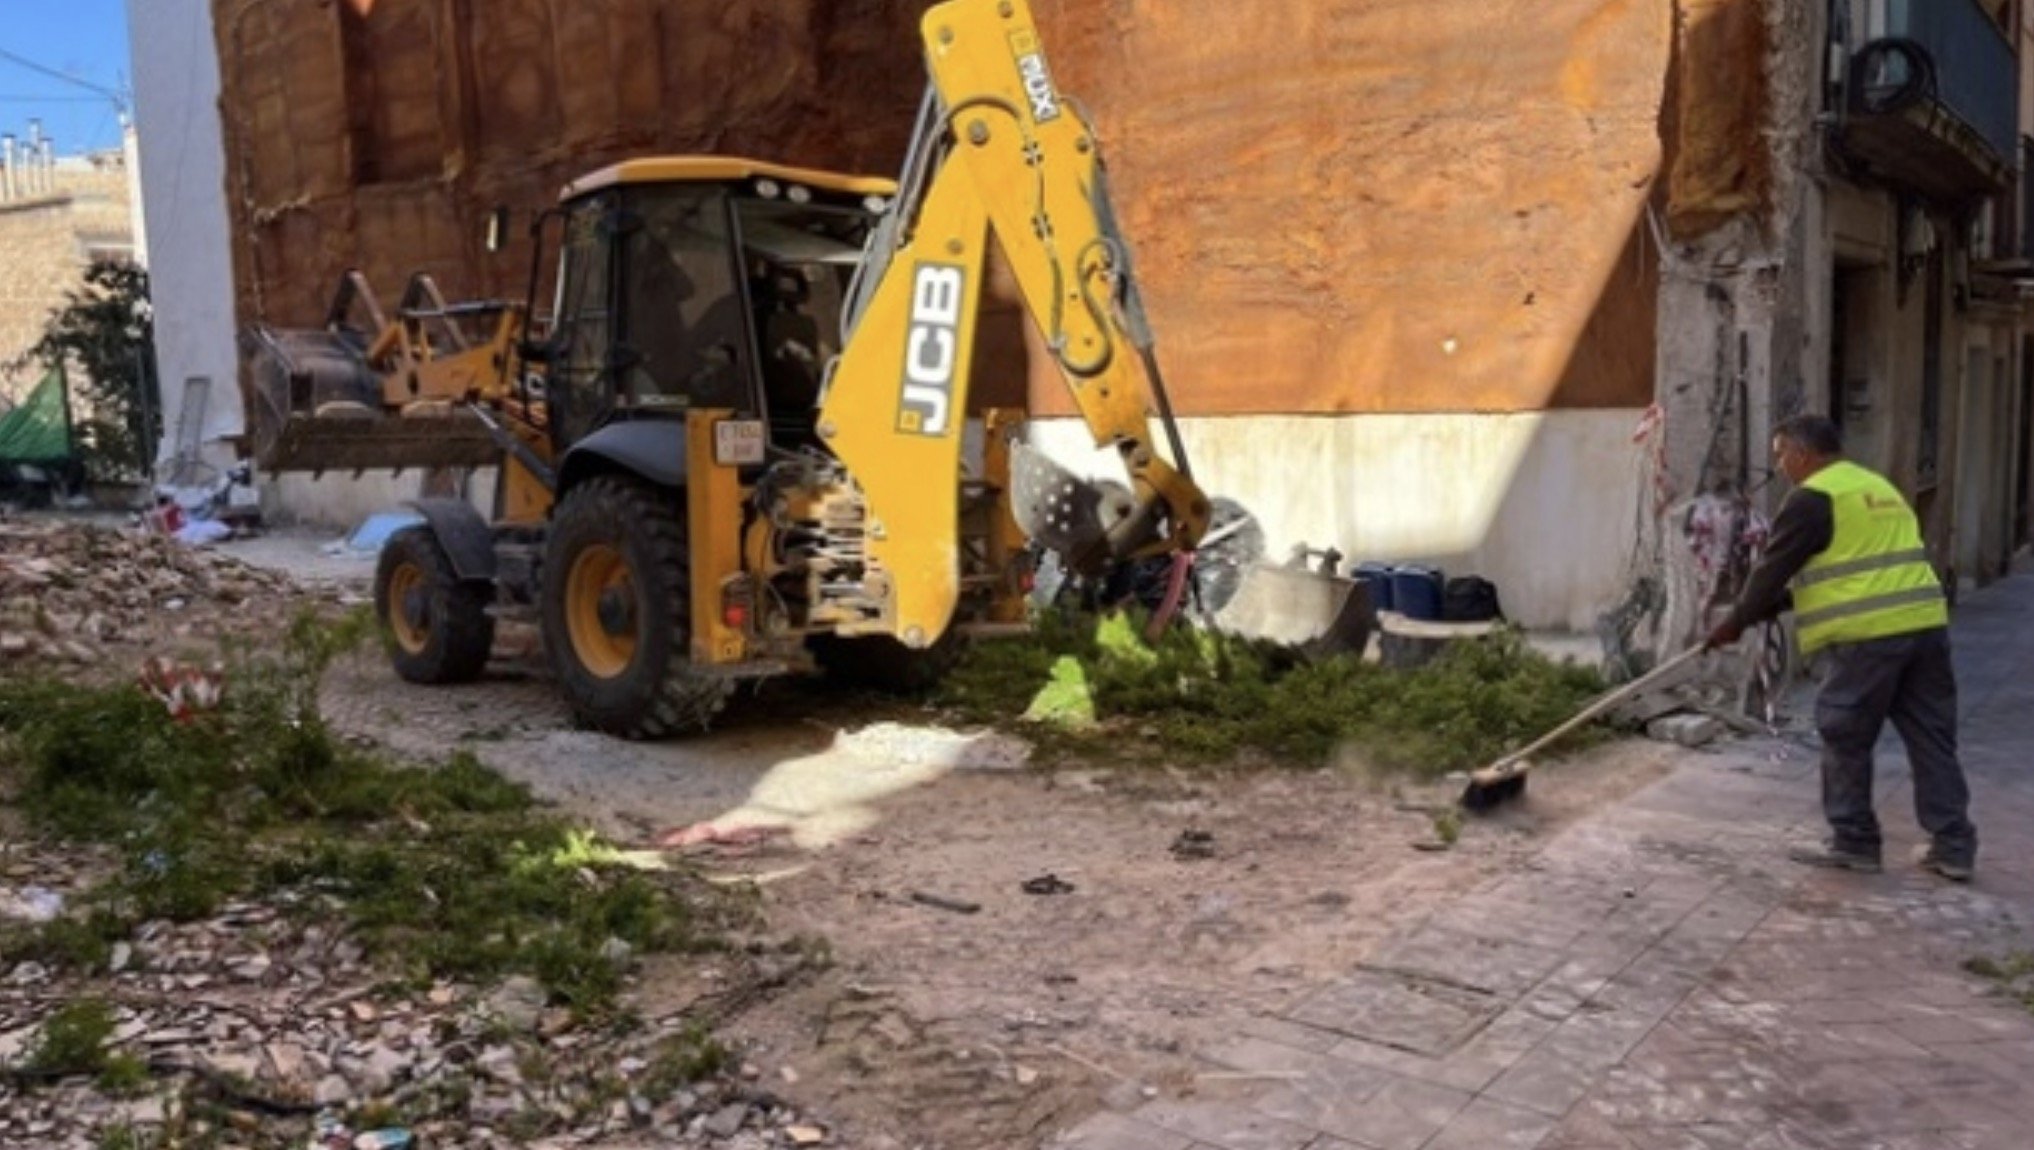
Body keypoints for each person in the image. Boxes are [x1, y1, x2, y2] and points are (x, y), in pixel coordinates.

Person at [1706, 414, 1976, 881]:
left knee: (1844, 733)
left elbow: (1770, 570)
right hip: (1925, 626)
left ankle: (1854, 841)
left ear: (1802, 454)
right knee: (1931, 737)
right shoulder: (1877, 488)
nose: (1781, 467)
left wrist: (1734, 622)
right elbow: (1859, 567)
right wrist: (1777, 606)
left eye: (1781, 456)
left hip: (1868, 636)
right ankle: (1954, 846)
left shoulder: (1812, 498)